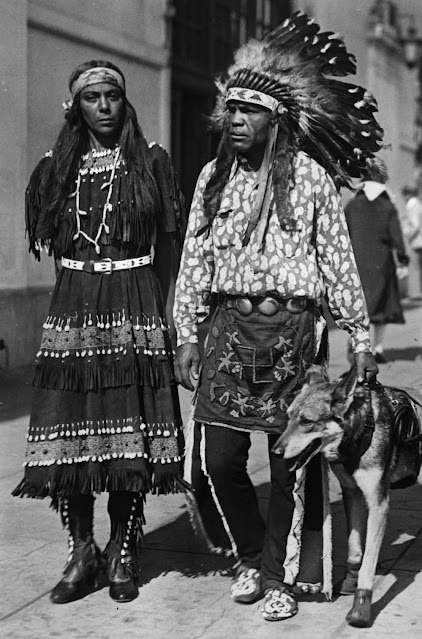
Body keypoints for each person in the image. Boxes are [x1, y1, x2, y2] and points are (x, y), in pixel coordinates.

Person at [173, 11, 380, 623]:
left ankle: (279, 576)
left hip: (293, 337)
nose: (235, 120)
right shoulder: (212, 179)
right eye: (230, 110)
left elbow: (339, 263)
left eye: (249, 111)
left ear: (276, 118)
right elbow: (193, 259)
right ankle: (244, 555)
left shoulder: (312, 180)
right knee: (213, 462)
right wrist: (186, 333)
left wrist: (360, 339)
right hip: (227, 335)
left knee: (291, 463)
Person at [12, 60, 186, 604]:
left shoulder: (151, 162)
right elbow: (51, 242)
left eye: (113, 95)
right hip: (76, 308)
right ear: (76, 107)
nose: (104, 106)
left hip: (135, 303)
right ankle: (82, 549)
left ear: (124, 100)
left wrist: (169, 316)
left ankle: (124, 550)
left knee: (129, 434)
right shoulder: (54, 169)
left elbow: (171, 248)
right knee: (70, 437)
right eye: (93, 98)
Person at [345, 179, 409, 364]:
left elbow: (344, 233)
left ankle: (355, 342)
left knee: (359, 305)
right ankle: (377, 347)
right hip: (382, 262)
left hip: (356, 262)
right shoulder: (387, 206)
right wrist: (403, 260)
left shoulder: (352, 205)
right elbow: (396, 235)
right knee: (382, 305)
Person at [402, 185, 422, 293]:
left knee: (417, 268)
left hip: (417, 242)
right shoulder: (418, 204)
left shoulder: (412, 206)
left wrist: (407, 234)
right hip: (419, 241)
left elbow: (415, 225)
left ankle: (417, 292)